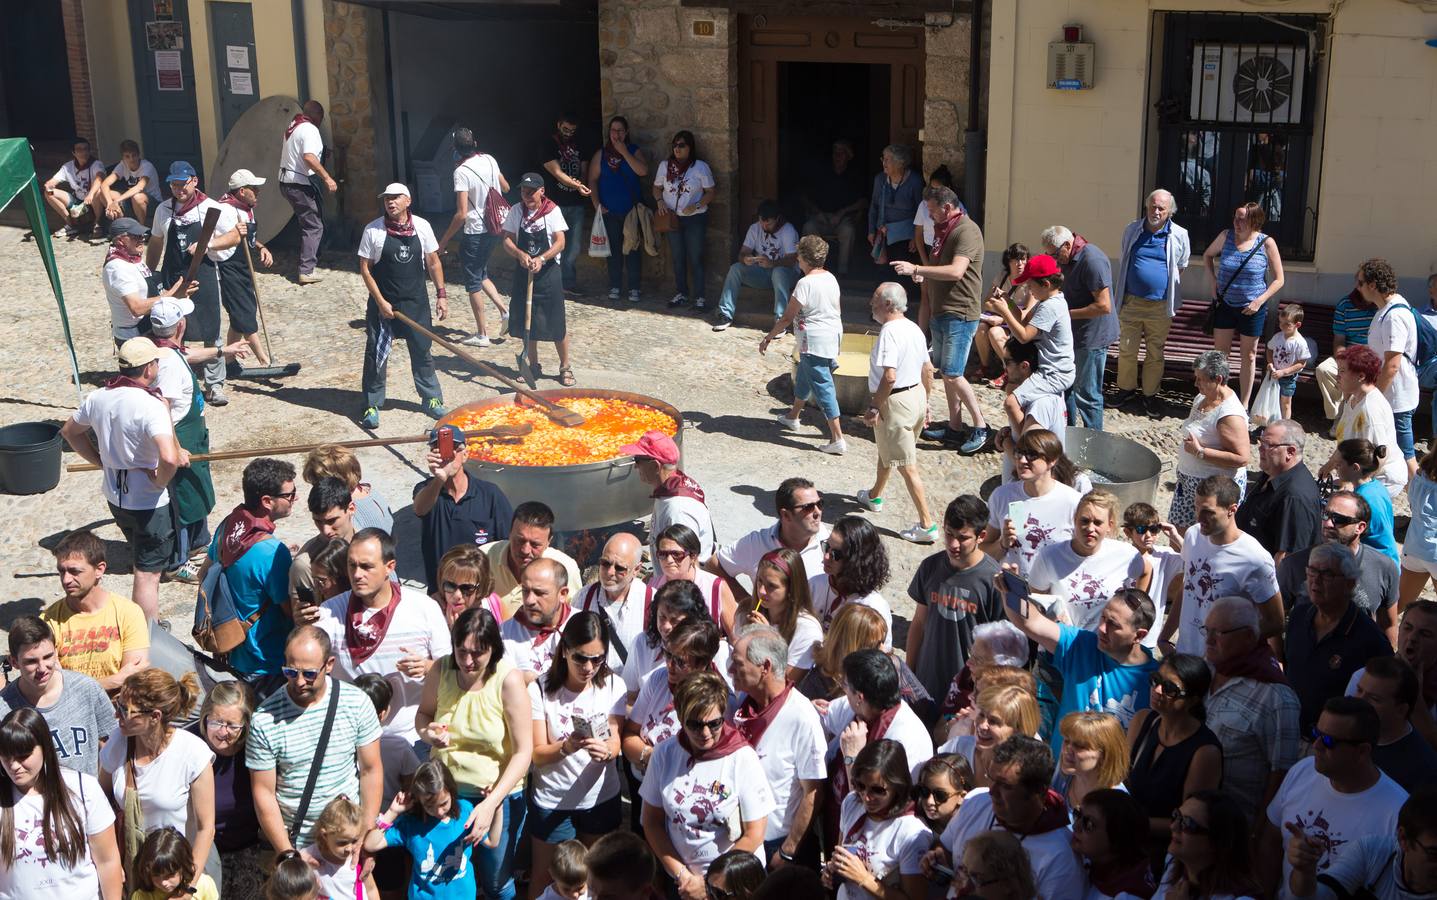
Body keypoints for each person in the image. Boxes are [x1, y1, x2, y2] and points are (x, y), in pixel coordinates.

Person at [416, 607, 534, 900]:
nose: (468, 661)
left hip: (495, 795)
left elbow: (524, 751)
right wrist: (427, 733)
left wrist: (491, 803)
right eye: (461, 651)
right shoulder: (441, 670)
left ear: (493, 649)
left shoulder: (508, 680)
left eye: (478, 653)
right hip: (446, 796)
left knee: (495, 881)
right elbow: (423, 715)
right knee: (444, 874)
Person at [58, 339, 180, 621]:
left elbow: (70, 431)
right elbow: (170, 457)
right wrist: (160, 482)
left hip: (115, 495)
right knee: (147, 574)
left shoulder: (98, 397)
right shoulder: (150, 405)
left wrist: (100, 461)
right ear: (149, 368)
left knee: (140, 558)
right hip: (148, 501)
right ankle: (147, 630)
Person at [247, 626, 383, 855]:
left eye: (309, 674)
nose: (299, 682)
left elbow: (371, 770)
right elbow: (264, 793)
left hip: (348, 843)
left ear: (329, 665)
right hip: (297, 844)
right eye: (291, 672)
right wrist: (287, 854)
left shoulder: (356, 703)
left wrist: (365, 837)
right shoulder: (264, 720)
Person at [639, 671, 774, 898]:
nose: (705, 733)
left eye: (714, 724)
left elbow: (754, 834)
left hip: (731, 885)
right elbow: (652, 822)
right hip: (683, 883)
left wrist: (709, 884)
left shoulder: (741, 758)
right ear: (680, 718)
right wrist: (683, 876)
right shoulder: (664, 753)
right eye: (694, 724)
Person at [315, 528, 452, 744]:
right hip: (353, 741)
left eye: (366, 566)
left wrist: (427, 667)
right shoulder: (329, 613)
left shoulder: (424, 608)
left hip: (413, 739)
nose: (357, 574)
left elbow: (451, 670)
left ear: (390, 567)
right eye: (352, 565)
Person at [1260, 698, 1408, 896]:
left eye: (1329, 741)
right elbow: (1270, 842)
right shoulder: (1302, 771)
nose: (1317, 745)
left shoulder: (1396, 811)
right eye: (1316, 733)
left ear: (1362, 751)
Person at [527, 612, 625, 897]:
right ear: (565, 650)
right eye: (581, 658)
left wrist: (608, 751)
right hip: (554, 801)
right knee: (546, 879)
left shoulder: (613, 685)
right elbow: (537, 754)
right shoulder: (542, 689)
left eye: (598, 659)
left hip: (600, 798)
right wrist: (566, 747)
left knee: (596, 880)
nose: (589, 667)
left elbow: (615, 737)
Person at [144, 297, 240, 584]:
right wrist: (175, 446)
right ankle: (177, 561)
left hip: (192, 433)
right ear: (181, 326)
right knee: (182, 502)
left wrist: (224, 350)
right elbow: (164, 407)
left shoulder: (164, 351)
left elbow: (189, 355)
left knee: (195, 492)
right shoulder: (170, 364)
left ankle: (199, 541)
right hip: (181, 435)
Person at [891, 184, 990, 454]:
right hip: (941, 311)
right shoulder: (943, 230)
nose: (930, 216)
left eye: (933, 211)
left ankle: (981, 426)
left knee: (954, 373)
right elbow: (941, 268)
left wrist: (918, 267)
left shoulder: (966, 230)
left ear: (947, 207)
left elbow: (958, 271)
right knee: (946, 374)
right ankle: (955, 427)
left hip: (960, 312)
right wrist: (926, 274)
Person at [924, 736, 1082, 898]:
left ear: (1038, 792)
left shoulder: (1061, 857)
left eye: (1005, 786)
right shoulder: (976, 801)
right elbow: (945, 847)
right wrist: (938, 856)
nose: (992, 792)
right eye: (991, 779)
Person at [1004, 583, 1161, 745]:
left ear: (1139, 635)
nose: (1101, 628)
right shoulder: (1081, 644)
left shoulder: (1157, 683)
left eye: (1113, 624)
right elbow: (1031, 623)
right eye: (1103, 617)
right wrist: (1008, 589)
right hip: (1062, 768)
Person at [98, 668, 214, 880]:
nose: (117, 715)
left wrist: (188, 886)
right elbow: (99, 799)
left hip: (174, 873)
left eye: (125, 710)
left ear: (154, 716)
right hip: (132, 873)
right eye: (117, 705)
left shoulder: (193, 753)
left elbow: (206, 829)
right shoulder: (119, 741)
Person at [729, 625, 826, 866]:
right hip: (741, 839)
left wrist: (787, 851)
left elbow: (813, 792)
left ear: (765, 667)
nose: (730, 670)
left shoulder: (802, 717)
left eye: (738, 664)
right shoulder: (743, 705)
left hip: (776, 845)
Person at [0, 707, 123, 900]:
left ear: (45, 747)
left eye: (23, 755)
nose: (14, 766)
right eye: (6, 756)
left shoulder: (84, 788)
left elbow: (108, 861)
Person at [145, 161, 242, 405]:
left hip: (203, 275)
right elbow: (156, 242)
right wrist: (150, 272)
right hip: (173, 276)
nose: (179, 189)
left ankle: (215, 385)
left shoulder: (211, 208)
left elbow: (234, 236)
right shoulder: (163, 210)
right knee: (172, 330)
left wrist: (208, 245)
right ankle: (176, 381)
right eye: (174, 185)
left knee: (211, 328)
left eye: (183, 184)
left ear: (194, 181)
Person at [1200, 597, 1301, 825]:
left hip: (1237, 826)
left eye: (1219, 633)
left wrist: (1260, 834)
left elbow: (1281, 774)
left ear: (1248, 636)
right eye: (1207, 630)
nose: (1209, 640)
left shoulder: (1276, 698)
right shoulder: (1203, 671)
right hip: (1191, 820)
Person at [357, 182, 449, 428]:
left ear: (408, 200)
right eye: (387, 198)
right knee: (377, 354)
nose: (390, 202)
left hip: (415, 302)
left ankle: (432, 399)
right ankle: (371, 404)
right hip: (384, 304)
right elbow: (365, 269)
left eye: (395, 197)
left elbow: (433, 261)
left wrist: (441, 294)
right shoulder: (373, 231)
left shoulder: (422, 227)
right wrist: (380, 302)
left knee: (422, 351)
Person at [1159, 475, 1282, 657]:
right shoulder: (1193, 536)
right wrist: (1164, 637)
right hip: (1186, 656)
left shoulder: (1254, 559)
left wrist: (1231, 646)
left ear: (1232, 509)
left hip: (1225, 667)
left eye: (1208, 512)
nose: (1199, 517)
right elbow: (1188, 587)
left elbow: (1275, 622)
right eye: (1196, 507)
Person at [1125, 653, 1222, 875]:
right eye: (1155, 680)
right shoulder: (1142, 721)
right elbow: (1123, 780)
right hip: (1125, 845)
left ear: (1194, 700)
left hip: (1166, 860)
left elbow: (1189, 823)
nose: (1157, 690)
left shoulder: (1204, 752)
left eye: (1170, 689)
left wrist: (1131, 824)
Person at [858, 282, 940, 544]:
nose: (871, 303)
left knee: (907, 466)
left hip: (895, 403)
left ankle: (927, 525)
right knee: (888, 449)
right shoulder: (914, 328)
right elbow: (928, 370)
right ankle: (874, 496)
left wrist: (874, 406)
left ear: (888, 305)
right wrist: (925, 402)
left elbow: (890, 377)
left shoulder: (889, 332)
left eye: (875, 299)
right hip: (915, 396)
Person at [204, 457, 297, 684]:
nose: (295, 499)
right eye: (289, 495)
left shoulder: (228, 526)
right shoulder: (271, 552)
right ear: (267, 501)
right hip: (265, 659)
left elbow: (204, 574)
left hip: (231, 648)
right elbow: (291, 611)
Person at [1284, 543, 1394, 734]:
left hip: (1336, 741)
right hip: (1290, 728)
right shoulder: (1299, 615)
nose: (1315, 581)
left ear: (1350, 583)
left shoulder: (1369, 638)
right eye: (1311, 571)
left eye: (1327, 574)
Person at [905, 494, 1004, 702]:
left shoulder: (994, 581)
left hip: (967, 693)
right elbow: (919, 623)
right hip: (925, 683)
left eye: (963, 537)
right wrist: (909, 675)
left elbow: (998, 649)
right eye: (949, 534)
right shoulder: (930, 567)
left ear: (982, 536)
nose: (953, 544)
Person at [1276, 491, 1399, 642]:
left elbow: (1388, 624)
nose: (1328, 523)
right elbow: (1276, 620)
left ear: (1360, 527)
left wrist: (1389, 660)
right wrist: (1279, 662)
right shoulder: (1294, 565)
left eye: (1338, 519)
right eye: (1325, 515)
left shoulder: (1384, 567)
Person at [0, 616, 115, 777]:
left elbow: (112, 744)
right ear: (14, 662)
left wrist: (103, 792)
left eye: (48, 657)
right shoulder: (4, 709)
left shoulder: (86, 689)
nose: (42, 668)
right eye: (31, 661)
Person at [762, 235, 846, 454]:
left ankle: (837, 438)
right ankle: (793, 417)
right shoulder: (831, 278)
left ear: (805, 258)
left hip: (814, 342)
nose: (797, 260)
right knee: (804, 376)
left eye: (799, 255)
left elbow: (787, 317)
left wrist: (768, 337)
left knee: (823, 388)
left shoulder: (805, 283)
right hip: (831, 337)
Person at [1113, 189, 1192, 416]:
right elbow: (1124, 257)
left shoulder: (1179, 234)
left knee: (1154, 352)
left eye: (1161, 208)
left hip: (1160, 305)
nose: (1155, 212)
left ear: (1170, 211)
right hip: (1132, 302)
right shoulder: (1132, 230)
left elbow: (1181, 266)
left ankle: (1150, 394)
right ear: (1146, 207)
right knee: (1127, 348)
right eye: (1152, 207)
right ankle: (1126, 389)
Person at [1029, 488, 1152, 631]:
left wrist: (1135, 610)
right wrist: (1049, 619)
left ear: (1109, 526)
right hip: (1062, 644)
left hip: (1106, 646)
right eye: (1084, 521)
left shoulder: (1126, 554)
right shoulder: (1049, 556)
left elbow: (1146, 571)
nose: (1090, 528)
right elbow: (1035, 599)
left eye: (1098, 522)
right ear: (1074, 520)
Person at [40, 529, 149, 689]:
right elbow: (55, 687)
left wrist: (74, 687)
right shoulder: (48, 621)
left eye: (74, 571)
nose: (66, 579)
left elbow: (133, 682)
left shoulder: (128, 613)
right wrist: (113, 681)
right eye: (61, 571)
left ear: (99, 569)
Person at [1286, 785, 1437, 899]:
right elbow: (1320, 896)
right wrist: (1304, 871)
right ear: (1403, 839)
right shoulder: (1373, 853)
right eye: (1434, 853)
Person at [824, 740, 930, 900]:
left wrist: (864, 879)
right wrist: (832, 870)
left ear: (897, 786)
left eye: (877, 790)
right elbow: (841, 851)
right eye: (860, 785)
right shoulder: (852, 802)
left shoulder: (911, 833)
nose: (866, 797)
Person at [412, 425, 513, 593]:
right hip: (442, 593)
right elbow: (420, 509)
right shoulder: (427, 490)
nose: (446, 455)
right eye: (438, 449)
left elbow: (508, 545)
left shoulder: (490, 495)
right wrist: (439, 479)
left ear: (465, 455)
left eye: (453, 449)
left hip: (480, 594)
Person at [1204, 201, 1285, 408]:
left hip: (1252, 308)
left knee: (1248, 356)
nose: (1237, 223)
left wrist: (1259, 301)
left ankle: (1244, 404)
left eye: (1243, 219)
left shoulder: (1266, 243)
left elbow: (1279, 279)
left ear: (1255, 221)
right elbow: (1207, 255)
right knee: (1220, 355)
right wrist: (1213, 281)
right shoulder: (1226, 236)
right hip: (1225, 304)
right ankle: (1220, 397)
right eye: (1235, 217)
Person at [364, 760, 483, 900]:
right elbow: (371, 844)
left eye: (443, 803)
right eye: (430, 806)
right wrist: (392, 812)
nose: (438, 811)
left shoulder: (466, 811)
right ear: (419, 801)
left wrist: (496, 807)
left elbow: (493, 842)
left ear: (451, 791)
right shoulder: (411, 824)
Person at [623, 618, 725, 783]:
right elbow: (629, 735)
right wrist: (650, 756)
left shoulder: (717, 700)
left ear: (703, 664)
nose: (669, 665)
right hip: (642, 782)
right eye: (667, 654)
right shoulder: (658, 679)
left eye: (680, 661)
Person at [824, 647, 935, 797]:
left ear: (859, 697)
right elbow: (822, 717)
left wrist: (851, 758)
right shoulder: (859, 705)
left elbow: (871, 803)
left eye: (845, 685)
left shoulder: (906, 740)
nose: (843, 689)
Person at [189, 682, 265, 900]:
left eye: (232, 725)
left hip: (247, 847)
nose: (223, 732)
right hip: (199, 847)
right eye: (216, 722)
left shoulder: (257, 746)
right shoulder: (188, 743)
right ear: (204, 718)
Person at [437, 125, 511, 347]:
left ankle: (482, 334)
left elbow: (461, 214)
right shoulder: (489, 159)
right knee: (481, 273)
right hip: (495, 226)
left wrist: (443, 241)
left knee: (472, 282)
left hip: (475, 232)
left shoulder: (461, 172)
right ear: (475, 143)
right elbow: (505, 187)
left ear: (455, 149)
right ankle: (505, 311)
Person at [981, 427, 1085, 577]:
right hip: (1011, 590)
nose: (1022, 460)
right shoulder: (1002, 496)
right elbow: (982, 551)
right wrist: (1002, 543)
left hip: (1053, 594)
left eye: (1031, 455)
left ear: (1052, 460)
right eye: (1019, 453)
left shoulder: (1074, 502)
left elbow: (1088, 556)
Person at [1041, 225, 1115, 430]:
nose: (1055, 260)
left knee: (1088, 394)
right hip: (1072, 335)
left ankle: (1093, 443)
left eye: (1056, 255)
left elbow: (1104, 306)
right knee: (1067, 388)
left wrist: (1064, 315)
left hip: (1091, 338)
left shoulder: (1092, 260)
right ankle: (1069, 434)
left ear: (1067, 244)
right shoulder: (1066, 257)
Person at [709, 477, 829, 602]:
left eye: (820, 504)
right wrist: (746, 602)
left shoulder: (828, 540)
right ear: (786, 515)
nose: (818, 512)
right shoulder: (756, 543)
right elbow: (714, 565)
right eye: (808, 507)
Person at [503, 172, 573, 385]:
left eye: (532, 191)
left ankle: (565, 366)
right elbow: (506, 239)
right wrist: (520, 254)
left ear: (542, 191)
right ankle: (533, 365)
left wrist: (542, 258)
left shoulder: (552, 211)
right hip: (524, 273)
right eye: (524, 191)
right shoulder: (516, 211)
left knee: (556, 321)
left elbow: (560, 242)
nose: (527, 195)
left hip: (549, 273)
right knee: (528, 319)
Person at [1169, 352, 1252, 529]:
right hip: (1188, 482)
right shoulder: (1202, 397)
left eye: (1200, 379)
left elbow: (1242, 458)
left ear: (1219, 379)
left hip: (1213, 492)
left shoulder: (1230, 415)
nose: (1195, 383)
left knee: (1209, 541)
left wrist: (1200, 452)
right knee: (1178, 537)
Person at [1322, 345, 1407, 497]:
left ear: (1361, 376)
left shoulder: (1370, 410)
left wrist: (1351, 483)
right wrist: (1330, 464)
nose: (1337, 376)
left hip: (1381, 476)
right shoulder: (1354, 399)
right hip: (1359, 471)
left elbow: (1380, 456)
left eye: (1342, 371)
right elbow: (1347, 442)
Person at [1234, 419, 1323, 565]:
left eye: (1268, 445)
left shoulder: (1295, 497)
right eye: (1261, 442)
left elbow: (1287, 559)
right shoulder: (1271, 473)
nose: (1260, 448)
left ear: (1290, 452)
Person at [620, 429, 714, 563]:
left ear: (655, 466)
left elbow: (682, 566)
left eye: (638, 460)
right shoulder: (671, 488)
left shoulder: (678, 511)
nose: (636, 467)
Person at [481, 501, 582, 621]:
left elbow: (575, 618)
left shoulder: (565, 568)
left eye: (535, 544)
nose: (525, 550)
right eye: (519, 540)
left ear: (548, 542)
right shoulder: (483, 558)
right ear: (509, 533)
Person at [214, 168, 274, 368]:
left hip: (243, 267)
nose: (258, 192)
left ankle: (229, 361)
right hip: (228, 268)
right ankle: (265, 360)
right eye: (254, 189)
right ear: (241, 191)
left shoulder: (246, 207)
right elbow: (224, 240)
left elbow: (249, 237)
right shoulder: (226, 211)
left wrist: (262, 247)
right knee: (245, 314)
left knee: (239, 315)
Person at [100, 217, 193, 344]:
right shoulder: (117, 268)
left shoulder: (133, 258)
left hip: (147, 330)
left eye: (142, 235)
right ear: (120, 240)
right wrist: (172, 295)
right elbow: (137, 308)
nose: (141, 239)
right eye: (135, 236)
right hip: (134, 338)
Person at [1352, 656, 1437, 793]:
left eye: (1374, 699)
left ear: (1401, 710)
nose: (1360, 701)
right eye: (1359, 690)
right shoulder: (1350, 735)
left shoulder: (1423, 769)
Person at [713, 200, 801, 332]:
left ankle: (780, 321)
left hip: (786, 275)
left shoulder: (788, 230)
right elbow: (742, 253)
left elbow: (792, 260)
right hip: (762, 274)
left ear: (777, 219)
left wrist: (772, 263)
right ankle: (725, 314)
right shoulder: (754, 228)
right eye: (762, 222)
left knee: (778, 272)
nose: (764, 226)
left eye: (769, 223)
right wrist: (745, 259)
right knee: (736, 268)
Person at [1156, 790, 1261, 899]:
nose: (1173, 826)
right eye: (1176, 815)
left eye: (1187, 823)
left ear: (1216, 843)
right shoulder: (1174, 865)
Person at [587, 115, 648, 302]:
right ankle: (614, 285)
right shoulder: (601, 154)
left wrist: (624, 152)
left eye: (620, 130)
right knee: (612, 251)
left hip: (631, 212)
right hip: (610, 212)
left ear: (626, 132)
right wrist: (596, 203)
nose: (616, 134)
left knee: (632, 249)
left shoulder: (633, 150)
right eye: (613, 130)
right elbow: (592, 180)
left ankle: (634, 288)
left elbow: (643, 171)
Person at [654, 129, 715, 310]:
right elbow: (656, 187)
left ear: (690, 147)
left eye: (681, 145)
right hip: (673, 218)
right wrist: (659, 201)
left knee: (696, 257)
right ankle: (681, 292)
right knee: (678, 257)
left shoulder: (700, 167)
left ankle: (700, 297)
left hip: (694, 218)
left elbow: (711, 192)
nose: (677, 149)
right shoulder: (665, 166)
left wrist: (696, 206)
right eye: (675, 145)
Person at [278, 99, 337, 285]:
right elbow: (309, 157)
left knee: (310, 218)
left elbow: (300, 152)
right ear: (317, 116)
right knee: (313, 225)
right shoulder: (310, 129)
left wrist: (323, 153)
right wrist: (327, 177)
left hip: (286, 182)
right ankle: (306, 270)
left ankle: (314, 255)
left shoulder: (294, 125)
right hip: (298, 183)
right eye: (322, 117)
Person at [938, 682, 1041, 788]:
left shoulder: (1027, 772)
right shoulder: (959, 746)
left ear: (1018, 730)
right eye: (981, 715)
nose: (982, 725)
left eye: (994, 721)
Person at [740, 549, 823, 680]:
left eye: (771, 586)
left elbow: (785, 682)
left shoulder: (807, 630)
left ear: (791, 589)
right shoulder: (747, 610)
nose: (761, 591)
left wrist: (768, 640)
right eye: (760, 581)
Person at [811, 515, 895, 642]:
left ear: (856, 561)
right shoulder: (814, 585)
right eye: (826, 547)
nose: (826, 557)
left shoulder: (873, 608)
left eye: (835, 554)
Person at [575, 533, 648, 673]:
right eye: (605, 563)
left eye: (620, 568)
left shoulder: (650, 601)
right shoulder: (583, 598)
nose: (610, 572)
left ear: (637, 570)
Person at [539, 112, 594, 296]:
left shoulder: (580, 143)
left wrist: (583, 186)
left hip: (576, 203)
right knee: (554, 245)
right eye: (565, 129)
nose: (568, 133)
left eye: (572, 130)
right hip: (556, 204)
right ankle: (551, 282)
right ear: (558, 124)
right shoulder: (548, 144)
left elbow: (584, 167)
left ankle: (568, 283)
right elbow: (556, 172)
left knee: (574, 247)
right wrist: (578, 186)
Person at [1072, 788, 1157, 899]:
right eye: (1077, 814)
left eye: (1088, 824)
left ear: (1117, 840)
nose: (1075, 826)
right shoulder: (1095, 867)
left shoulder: (1127, 895)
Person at [500, 558, 576, 682]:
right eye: (525, 591)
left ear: (562, 594)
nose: (530, 601)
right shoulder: (505, 633)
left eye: (539, 593)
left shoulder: (583, 627)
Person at [801, 139, 866, 276]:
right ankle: (813, 269)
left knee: (848, 231)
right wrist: (817, 213)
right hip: (820, 217)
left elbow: (863, 202)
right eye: (835, 153)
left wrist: (842, 213)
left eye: (841, 153)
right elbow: (805, 197)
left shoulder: (855, 175)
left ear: (848, 156)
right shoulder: (822, 172)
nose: (837, 156)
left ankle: (843, 272)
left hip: (843, 220)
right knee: (808, 228)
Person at [1317, 287, 1380, 423]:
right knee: (1324, 369)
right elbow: (1339, 340)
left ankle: (1359, 416)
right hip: (1349, 356)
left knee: (1358, 375)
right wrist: (1342, 362)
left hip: (1373, 359)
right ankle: (1339, 415)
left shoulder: (1380, 306)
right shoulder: (1345, 305)